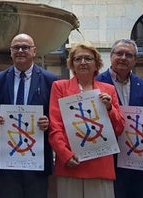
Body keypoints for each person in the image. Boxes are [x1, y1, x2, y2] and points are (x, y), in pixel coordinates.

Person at [49, 42, 125, 198]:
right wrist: (65, 155)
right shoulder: (59, 87)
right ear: (72, 64)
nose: (83, 62)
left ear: (96, 63)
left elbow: (119, 128)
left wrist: (110, 109)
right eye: (78, 59)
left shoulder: (108, 90)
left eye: (88, 58)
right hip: (71, 164)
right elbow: (55, 125)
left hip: (100, 164)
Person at [0, 33, 57, 198]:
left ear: (34, 51)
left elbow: (57, 115)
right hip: (7, 158)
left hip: (37, 158)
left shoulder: (50, 80)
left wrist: (48, 121)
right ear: (10, 51)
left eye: (25, 47)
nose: (20, 50)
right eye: (16, 47)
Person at [95, 39, 143, 198]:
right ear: (111, 56)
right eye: (119, 53)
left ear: (135, 60)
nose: (123, 58)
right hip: (108, 157)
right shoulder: (96, 83)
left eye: (128, 55)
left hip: (138, 158)